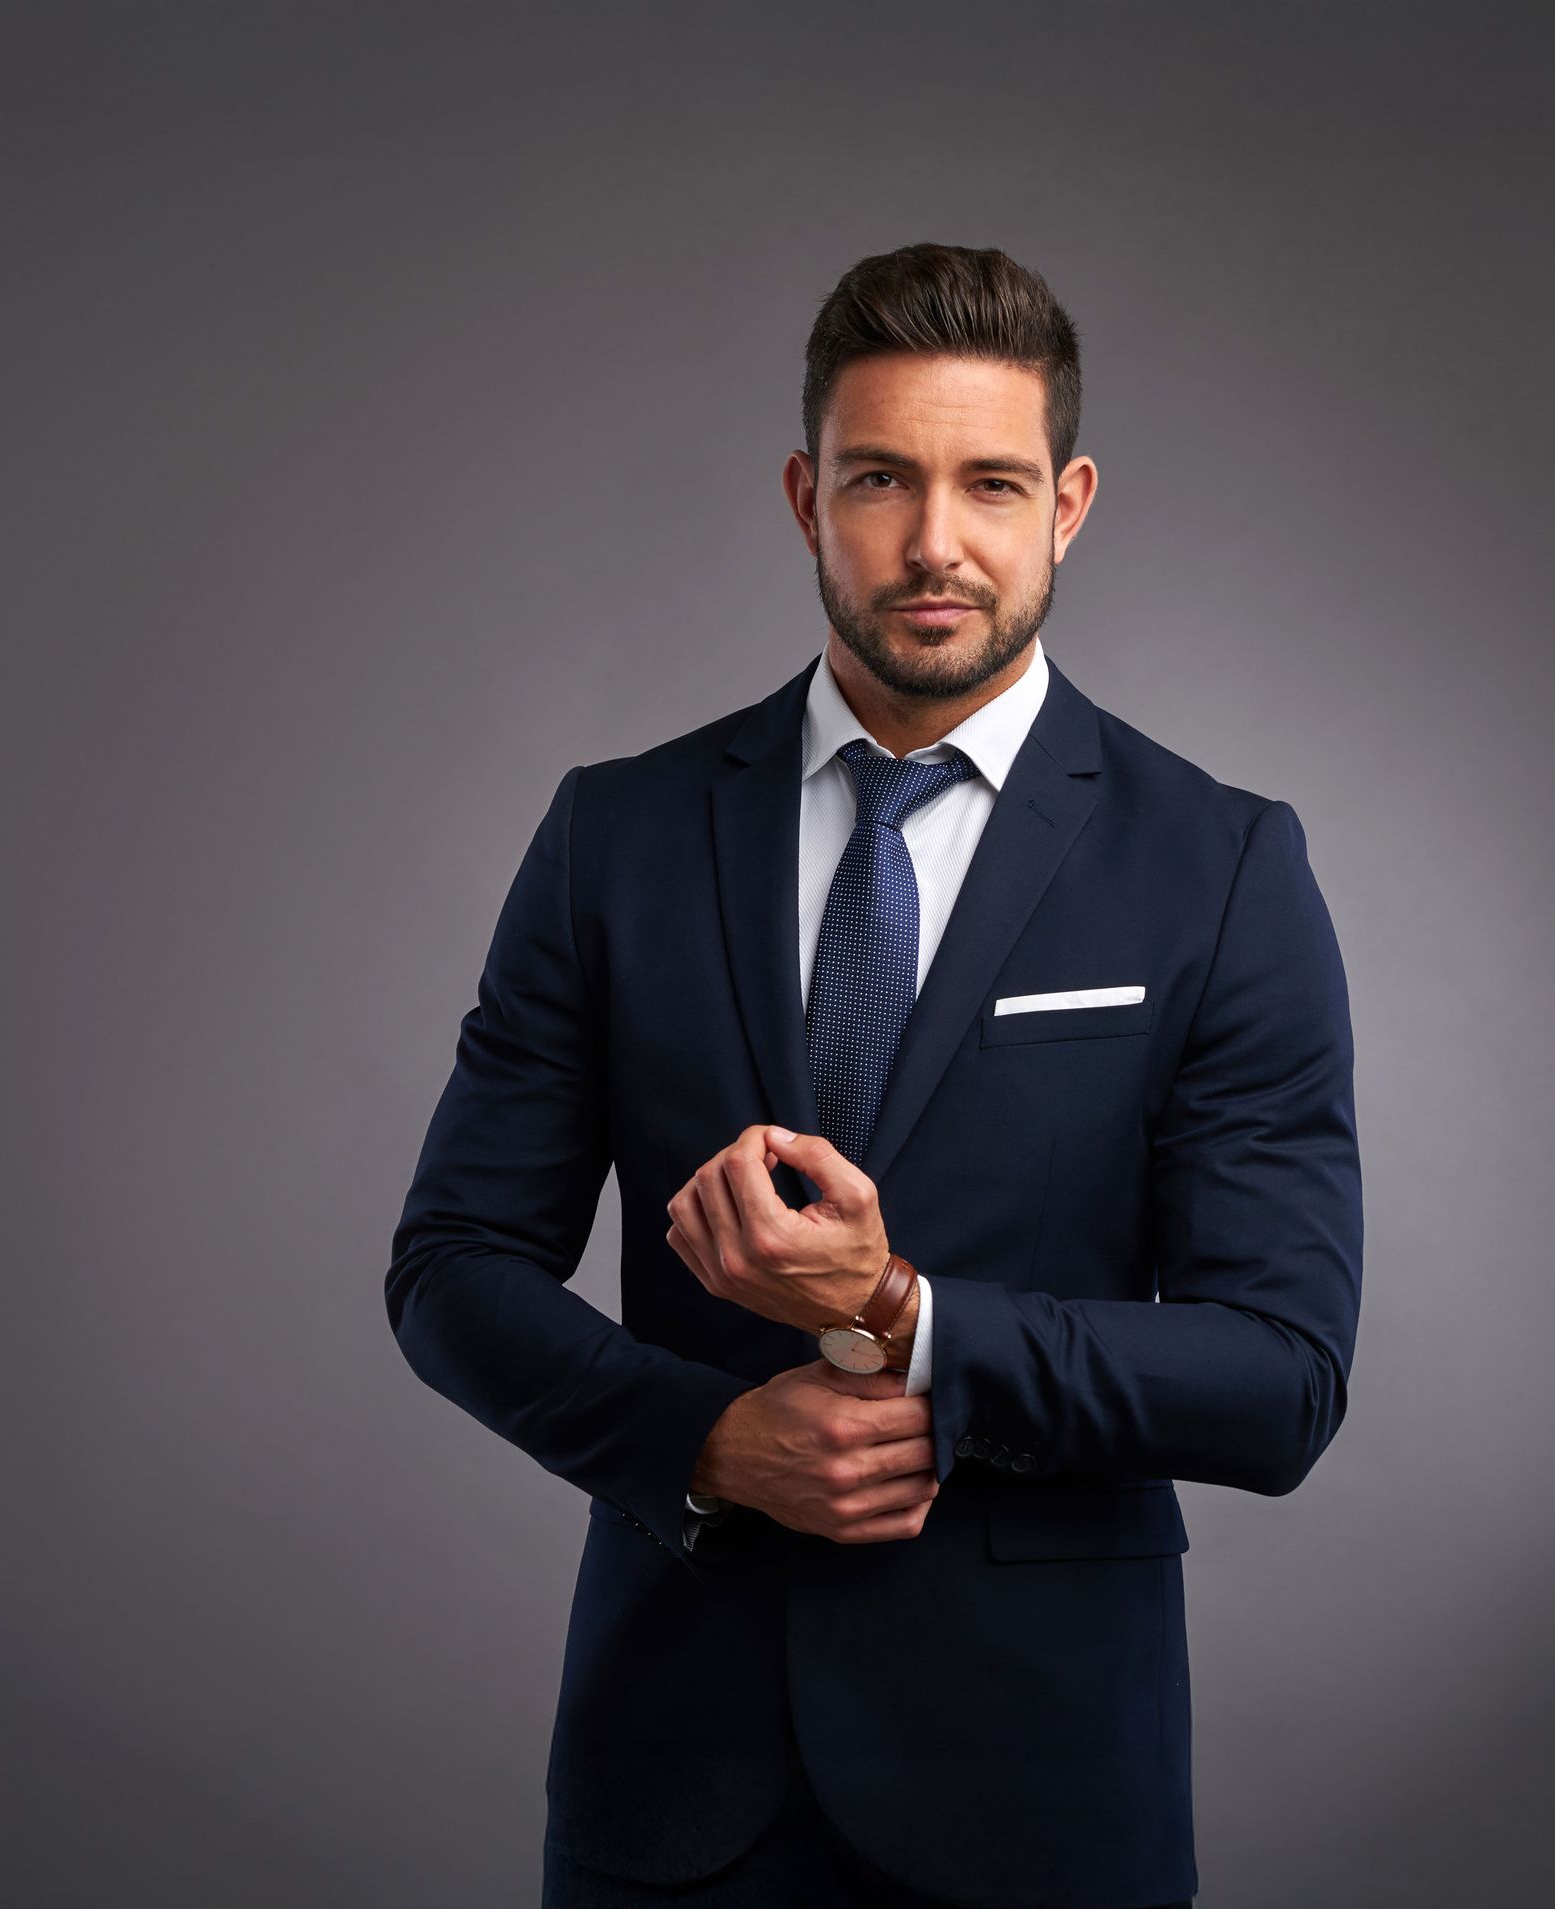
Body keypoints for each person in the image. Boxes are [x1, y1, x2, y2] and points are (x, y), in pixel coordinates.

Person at [387, 240, 1363, 1909]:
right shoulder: (614, 836)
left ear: (1070, 501)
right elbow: (451, 1270)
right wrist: (705, 1439)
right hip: (670, 1790)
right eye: (880, 480)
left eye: (989, 483)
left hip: (1043, 1792)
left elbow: (1279, 1376)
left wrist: (914, 1315)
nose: (933, 543)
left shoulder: (1217, 863)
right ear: (802, 494)